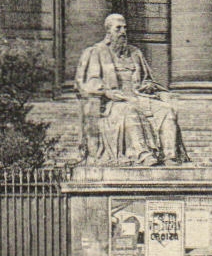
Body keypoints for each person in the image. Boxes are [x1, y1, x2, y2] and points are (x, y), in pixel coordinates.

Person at [75, 14, 188, 166]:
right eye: (118, 28)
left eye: (125, 28)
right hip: (112, 102)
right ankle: (143, 154)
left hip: (138, 97)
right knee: (130, 109)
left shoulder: (135, 53)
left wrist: (148, 86)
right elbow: (89, 82)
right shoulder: (96, 52)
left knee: (166, 110)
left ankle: (170, 156)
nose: (123, 32)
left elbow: (146, 78)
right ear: (108, 31)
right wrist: (107, 92)